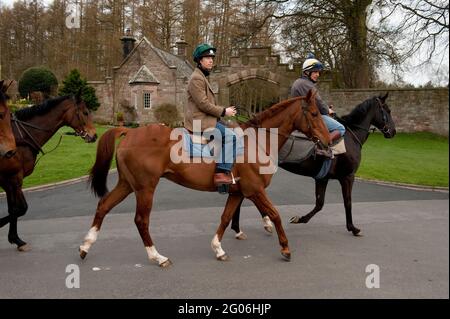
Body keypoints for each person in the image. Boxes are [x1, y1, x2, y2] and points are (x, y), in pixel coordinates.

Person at [184, 43, 237, 186]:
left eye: (212, 58)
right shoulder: (196, 78)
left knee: (233, 127)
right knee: (231, 138)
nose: (211, 60)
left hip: (207, 119)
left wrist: (223, 113)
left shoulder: (202, 77)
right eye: (207, 57)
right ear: (200, 61)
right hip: (199, 122)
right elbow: (203, 104)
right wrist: (224, 111)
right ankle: (221, 173)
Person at [290, 53, 345, 144]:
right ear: (307, 72)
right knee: (340, 128)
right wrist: (327, 110)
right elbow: (318, 103)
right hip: (308, 117)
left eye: (318, 72)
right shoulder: (306, 84)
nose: (318, 74)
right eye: (315, 72)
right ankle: (323, 146)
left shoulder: (299, 82)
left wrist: (326, 108)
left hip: (303, 115)